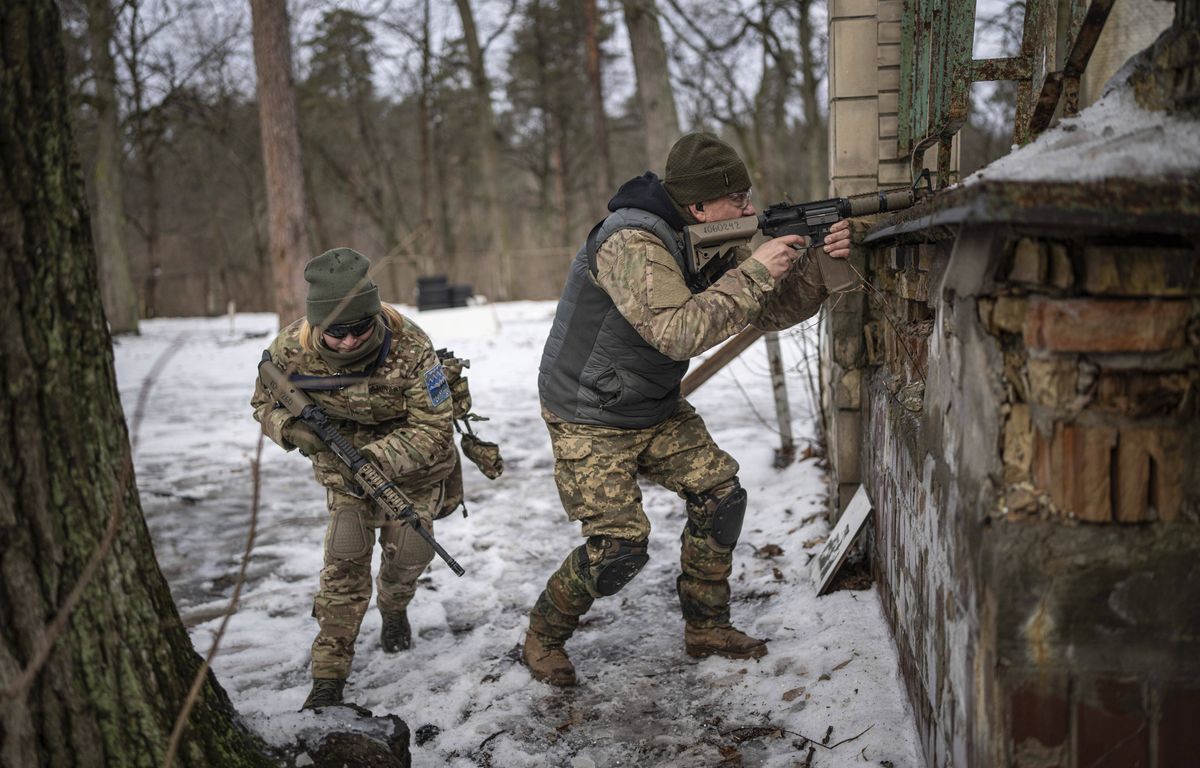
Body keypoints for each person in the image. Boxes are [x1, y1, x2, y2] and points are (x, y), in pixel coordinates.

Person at [523, 131, 854, 685]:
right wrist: (756, 270)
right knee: (618, 550)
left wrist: (817, 264)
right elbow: (677, 333)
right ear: (698, 205)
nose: (749, 208)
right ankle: (542, 636)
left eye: (749, 196)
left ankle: (707, 628)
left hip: (652, 402)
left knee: (721, 496)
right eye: (738, 200)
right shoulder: (631, 242)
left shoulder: (706, 236)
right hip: (590, 414)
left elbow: (762, 311)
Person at [251, 247, 458, 709]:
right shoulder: (289, 349)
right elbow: (263, 403)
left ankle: (394, 605)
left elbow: (433, 427)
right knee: (344, 563)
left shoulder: (412, 346)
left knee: (410, 551)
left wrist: (374, 458)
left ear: (376, 317)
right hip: (342, 474)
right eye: (335, 333)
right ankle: (328, 678)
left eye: (358, 329)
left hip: (414, 470)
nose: (347, 342)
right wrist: (291, 430)